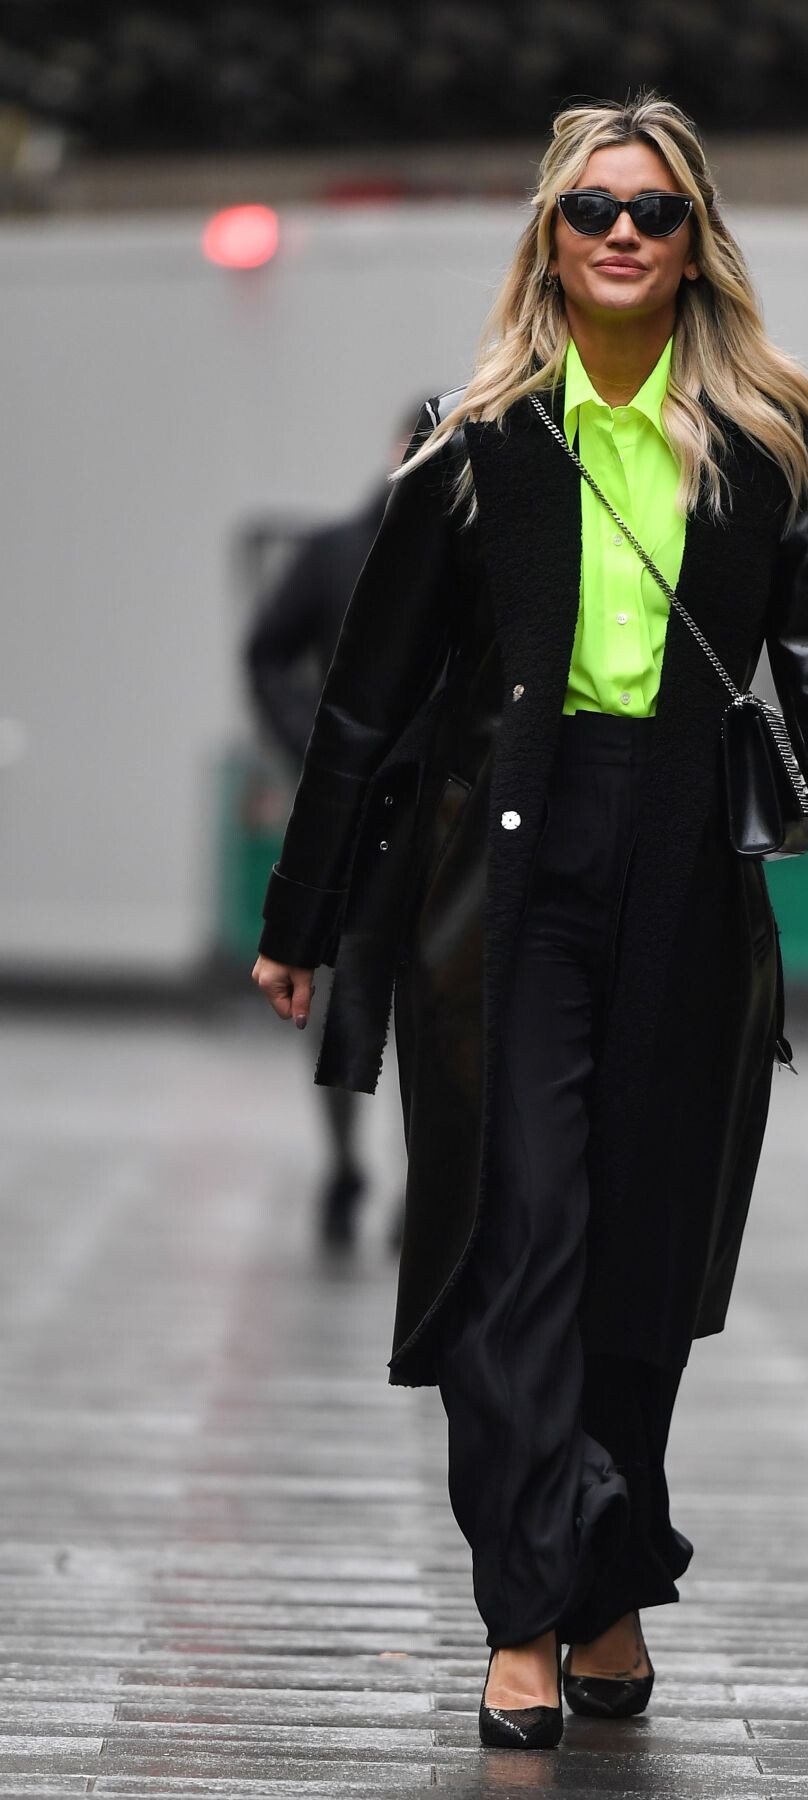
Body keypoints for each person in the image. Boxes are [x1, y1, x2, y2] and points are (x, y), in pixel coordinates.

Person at [251, 89, 808, 1750]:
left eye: (656, 210)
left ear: (697, 246)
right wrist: (303, 913)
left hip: (687, 867)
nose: (624, 231)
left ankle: (606, 1566)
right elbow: (365, 699)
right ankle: (528, 1614)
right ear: (547, 241)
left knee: (643, 1252)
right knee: (521, 1234)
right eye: (593, 208)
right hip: (503, 878)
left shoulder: (766, 444)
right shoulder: (475, 446)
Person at [244, 414, 420, 1251]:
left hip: (439, 805)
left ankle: (417, 1182)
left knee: (435, 1006)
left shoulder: (484, 555)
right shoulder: (335, 552)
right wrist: (306, 741)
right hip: (351, 804)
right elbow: (267, 653)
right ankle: (348, 1161)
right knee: (341, 999)